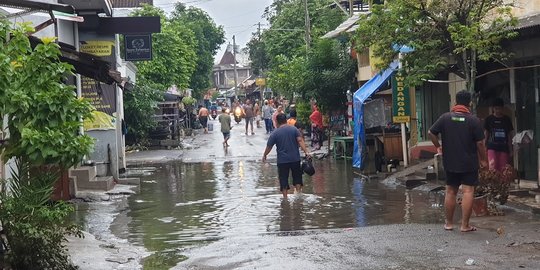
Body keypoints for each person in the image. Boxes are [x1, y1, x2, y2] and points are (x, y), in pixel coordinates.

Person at [428, 90, 488, 233]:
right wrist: (484, 160)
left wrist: (438, 147)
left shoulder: (445, 118)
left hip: (450, 161)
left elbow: (431, 132)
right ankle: (464, 225)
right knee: (468, 191)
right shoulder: (474, 120)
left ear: (455, 102)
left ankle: (449, 223)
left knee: (451, 191)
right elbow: (480, 144)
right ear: (470, 103)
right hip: (468, 162)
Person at [263, 113, 311, 199]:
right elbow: (300, 141)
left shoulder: (275, 133)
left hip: (282, 161)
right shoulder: (294, 130)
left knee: (283, 179)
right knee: (297, 177)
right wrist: (306, 152)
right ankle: (298, 195)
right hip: (295, 159)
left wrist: (264, 155)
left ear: (277, 122)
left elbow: (269, 147)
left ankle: (285, 199)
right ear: (286, 120)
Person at [484, 98, 514, 172]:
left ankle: (502, 183)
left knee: (503, 168)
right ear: (493, 108)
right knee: (492, 166)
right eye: (496, 109)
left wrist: (511, 150)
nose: (498, 111)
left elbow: (509, 135)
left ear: (503, 109)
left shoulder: (507, 119)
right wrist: (484, 147)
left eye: (500, 109)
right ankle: (492, 183)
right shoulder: (489, 119)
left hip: (504, 148)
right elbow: (486, 134)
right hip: (491, 147)